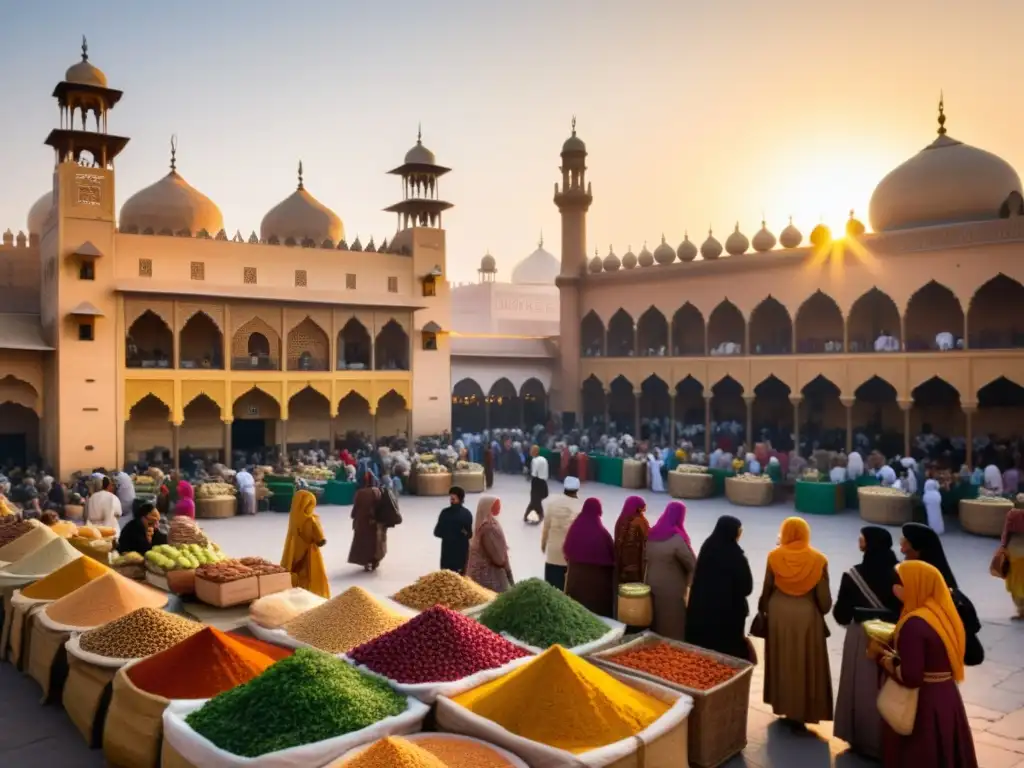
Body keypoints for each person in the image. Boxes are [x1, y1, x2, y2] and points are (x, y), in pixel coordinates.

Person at [871, 561, 978, 767]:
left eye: (900, 582)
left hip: (924, 704)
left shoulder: (914, 624)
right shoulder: (944, 614)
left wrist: (882, 658)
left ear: (916, 585)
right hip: (947, 695)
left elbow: (912, 676)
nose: (895, 587)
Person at [833, 526, 903, 759]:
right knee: (888, 686)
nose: (859, 542)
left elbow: (841, 615)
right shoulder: (900, 573)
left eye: (861, 538)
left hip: (862, 636)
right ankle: (889, 741)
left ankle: (863, 739)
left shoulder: (853, 575)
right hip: (894, 637)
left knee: (861, 686)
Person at [759, 517, 833, 724]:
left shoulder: (774, 556)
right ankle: (804, 710)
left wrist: (763, 609)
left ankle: (783, 704)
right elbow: (824, 602)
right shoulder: (818, 560)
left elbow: (766, 589)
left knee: (782, 661)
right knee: (805, 663)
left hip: (778, 614)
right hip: (807, 617)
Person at [901, 522, 984, 665]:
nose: (901, 544)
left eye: (905, 540)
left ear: (917, 545)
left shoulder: (930, 575)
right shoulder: (915, 567)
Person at [686, 515, 753, 660]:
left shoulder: (707, 547)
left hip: (703, 612)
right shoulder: (737, 557)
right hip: (728, 616)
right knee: (725, 658)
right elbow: (747, 588)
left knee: (702, 656)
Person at [645, 501, 697, 641]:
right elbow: (692, 563)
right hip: (672, 588)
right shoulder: (677, 539)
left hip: (652, 583)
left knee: (656, 619)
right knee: (673, 624)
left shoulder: (651, 534)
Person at [562, 498, 616, 616]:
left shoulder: (575, 527)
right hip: (598, 583)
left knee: (577, 610)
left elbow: (566, 548)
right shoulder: (601, 532)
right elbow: (612, 554)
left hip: (576, 578)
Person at [280, 489, 329, 598]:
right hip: (309, 555)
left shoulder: (294, 519)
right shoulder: (311, 520)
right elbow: (321, 541)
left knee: (296, 574)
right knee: (310, 576)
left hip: (294, 554)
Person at [540, 475, 583, 590]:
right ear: (577, 489)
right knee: (565, 590)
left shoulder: (552, 503)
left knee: (551, 590)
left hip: (552, 554)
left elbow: (546, 527)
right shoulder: (579, 506)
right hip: (568, 555)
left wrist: (543, 545)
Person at [348, 483, 402, 572]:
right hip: (376, 523)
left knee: (364, 543)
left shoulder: (361, 494)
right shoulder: (381, 493)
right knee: (377, 543)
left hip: (363, 523)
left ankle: (367, 561)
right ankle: (374, 560)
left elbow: (355, 511)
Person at [466, 495, 513, 593]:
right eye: (496, 505)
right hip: (488, 577)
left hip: (478, 574)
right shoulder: (488, 529)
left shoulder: (488, 523)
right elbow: (498, 559)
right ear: (488, 507)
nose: (499, 507)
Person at [434, 486, 474, 574]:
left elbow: (437, 532)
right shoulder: (467, 514)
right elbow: (469, 535)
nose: (451, 501)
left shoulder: (445, 513)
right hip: (458, 551)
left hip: (450, 551)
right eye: (451, 499)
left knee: (447, 578)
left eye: (453, 499)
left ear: (459, 499)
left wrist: (447, 533)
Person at [613, 496, 649, 586]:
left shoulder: (620, 520)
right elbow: (648, 535)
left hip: (621, 561)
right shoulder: (639, 521)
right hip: (635, 561)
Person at [998, 500, 1024, 620]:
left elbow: (1006, 533)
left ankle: (1021, 610)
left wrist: (1003, 547)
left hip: (1015, 550)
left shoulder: (1012, 515)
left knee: (1015, 580)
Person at [524, 445, 549, 524]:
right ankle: (534, 515)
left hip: (536, 482)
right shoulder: (544, 459)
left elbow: (534, 473)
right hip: (543, 482)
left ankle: (538, 515)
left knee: (534, 500)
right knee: (536, 500)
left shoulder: (534, 460)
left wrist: (528, 477)